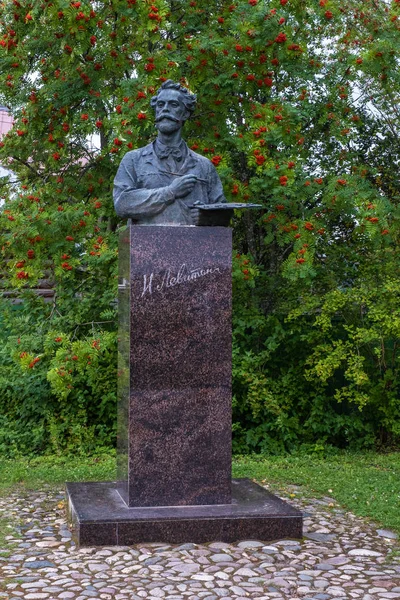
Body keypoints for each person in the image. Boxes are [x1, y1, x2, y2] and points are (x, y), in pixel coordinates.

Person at [113, 80, 226, 225]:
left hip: (194, 244)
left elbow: (222, 212)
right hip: (147, 245)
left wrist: (208, 217)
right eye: (161, 105)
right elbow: (122, 203)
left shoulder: (204, 166)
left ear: (185, 114)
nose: (165, 109)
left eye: (173, 105)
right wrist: (170, 192)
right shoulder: (134, 160)